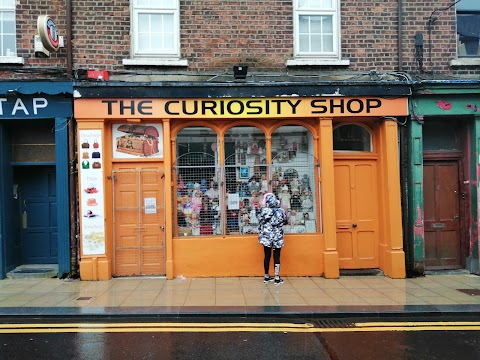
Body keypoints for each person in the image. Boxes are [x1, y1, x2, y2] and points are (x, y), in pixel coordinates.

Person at [257, 192, 287, 285]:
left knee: (267, 255)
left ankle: (266, 276)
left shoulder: (264, 210)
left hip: (267, 236)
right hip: (278, 236)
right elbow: (285, 221)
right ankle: (277, 278)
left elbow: (260, 221)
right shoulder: (281, 211)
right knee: (277, 256)